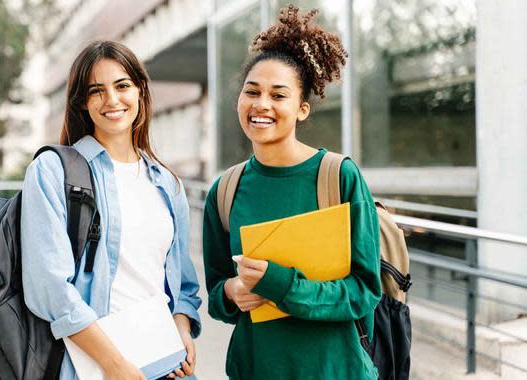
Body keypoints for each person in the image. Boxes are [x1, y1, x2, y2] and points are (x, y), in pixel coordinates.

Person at [202, 6, 381, 380]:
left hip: (335, 370)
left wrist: (283, 285)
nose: (261, 104)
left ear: (301, 109)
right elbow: (217, 295)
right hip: (255, 369)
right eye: (252, 92)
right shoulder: (225, 191)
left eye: (277, 95)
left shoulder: (338, 176)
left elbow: (365, 291)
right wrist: (233, 292)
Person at [21, 41, 201, 380]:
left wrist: (182, 327)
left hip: (168, 365)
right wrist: (114, 365)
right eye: (96, 91)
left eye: (122, 86)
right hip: (95, 369)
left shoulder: (167, 183)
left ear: (140, 91)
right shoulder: (53, 171)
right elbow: (50, 288)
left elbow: (182, 284)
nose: (112, 101)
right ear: (82, 103)